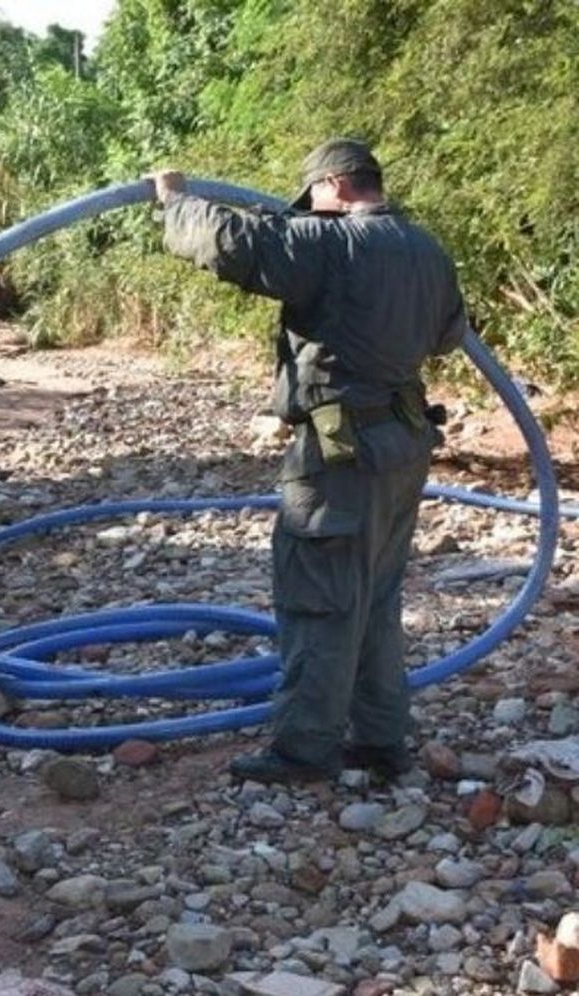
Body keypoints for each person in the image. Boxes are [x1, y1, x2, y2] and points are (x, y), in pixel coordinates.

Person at [151, 138, 468, 784]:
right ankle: (381, 741)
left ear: (336, 185)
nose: (311, 212)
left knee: (320, 601)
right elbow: (447, 335)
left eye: (315, 200)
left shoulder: (334, 245)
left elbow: (240, 245)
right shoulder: (428, 249)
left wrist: (175, 201)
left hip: (340, 454)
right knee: (374, 596)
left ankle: (304, 749)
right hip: (403, 447)